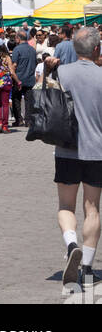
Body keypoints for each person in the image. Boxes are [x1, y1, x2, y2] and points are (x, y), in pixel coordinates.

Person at [54, 26, 102, 289]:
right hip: (97, 150)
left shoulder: (61, 73)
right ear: (97, 49)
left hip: (66, 149)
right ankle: (87, 268)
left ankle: (71, 243)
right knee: (92, 209)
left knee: (65, 207)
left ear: (74, 47)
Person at [10, 30, 38, 127]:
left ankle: (19, 120)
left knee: (16, 99)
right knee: (29, 100)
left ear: (18, 38)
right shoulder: (33, 50)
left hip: (18, 78)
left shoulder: (17, 50)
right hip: (30, 78)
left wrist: (12, 76)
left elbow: (14, 65)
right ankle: (28, 120)